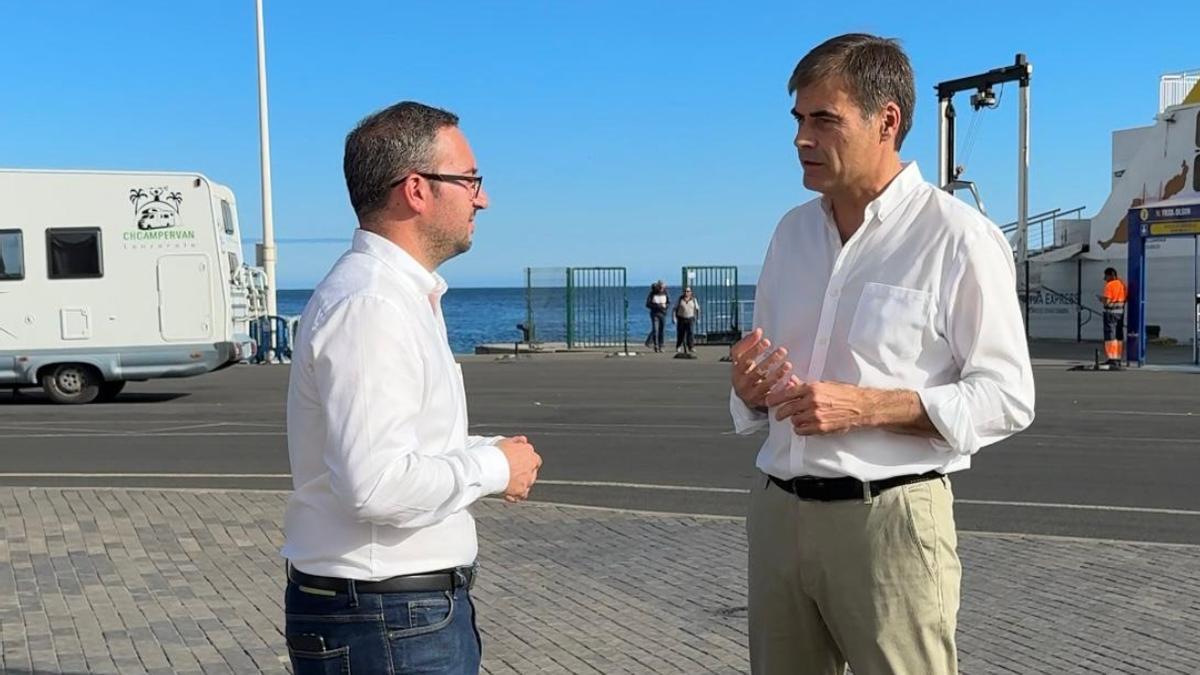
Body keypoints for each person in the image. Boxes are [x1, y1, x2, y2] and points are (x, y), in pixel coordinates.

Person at [728, 34, 1035, 675]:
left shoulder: (957, 238)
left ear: (886, 120)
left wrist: (868, 407)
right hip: (778, 513)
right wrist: (748, 389)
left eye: (823, 119)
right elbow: (762, 379)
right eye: (798, 119)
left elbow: (1008, 397)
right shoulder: (790, 234)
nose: (801, 138)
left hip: (890, 522)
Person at [281, 101, 543, 675]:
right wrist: (494, 469)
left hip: (390, 613)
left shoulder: (392, 295)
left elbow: (398, 449)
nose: (483, 198)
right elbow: (375, 484)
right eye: (471, 180)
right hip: (387, 616)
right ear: (417, 190)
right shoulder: (373, 304)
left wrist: (486, 451)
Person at [1097, 266, 1127, 366]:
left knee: (1110, 336)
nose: (1104, 278)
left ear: (1111, 275)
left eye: (1106, 276)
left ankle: (1112, 358)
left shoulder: (1109, 285)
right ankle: (1118, 358)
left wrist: (1101, 299)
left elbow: (1107, 301)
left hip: (1110, 313)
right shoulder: (1122, 284)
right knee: (1119, 336)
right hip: (1120, 313)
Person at [644, 280, 670, 352]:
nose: (662, 289)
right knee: (655, 330)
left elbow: (668, 302)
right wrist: (657, 306)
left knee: (662, 330)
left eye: (663, 287)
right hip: (655, 313)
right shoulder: (652, 294)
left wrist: (666, 306)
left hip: (663, 313)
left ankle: (661, 345)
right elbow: (647, 304)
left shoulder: (665, 293)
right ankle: (656, 346)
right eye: (660, 287)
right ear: (658, 287)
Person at [673, 287, 700, 355]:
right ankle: (678, 346)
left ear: (690, 292)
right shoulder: (680, 299)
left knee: (690, 333)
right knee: (681, 334)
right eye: (685, 291)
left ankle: (691, 347)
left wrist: (698, 318)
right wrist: (674, 318)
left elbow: (697, 309)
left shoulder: (694, 300)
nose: (686, 292)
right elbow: (674, 309)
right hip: (681, 318)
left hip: (690, 318)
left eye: (688, 291)